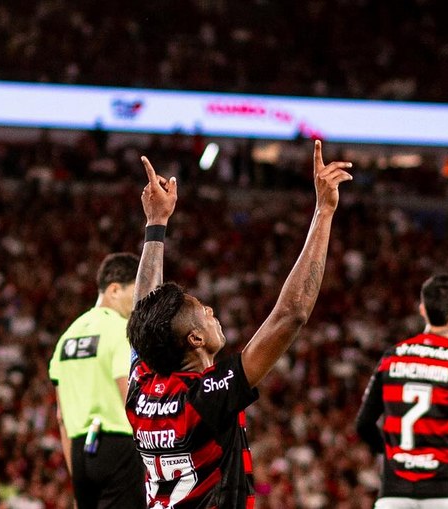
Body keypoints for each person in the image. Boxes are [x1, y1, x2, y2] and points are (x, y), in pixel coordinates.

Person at [125, 140, 352, 508]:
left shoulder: (142, 390)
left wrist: (156, 224)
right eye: (203, 311)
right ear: (195, 339)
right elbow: (291, 314)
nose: (212, 311)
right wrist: (323, 211)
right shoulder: (205, 396)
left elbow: (143, 315)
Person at [355, 274, 448, 509]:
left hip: (393, 493)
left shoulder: (392, 357)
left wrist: (393, 454)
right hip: (444, 491)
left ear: (422, 310)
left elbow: (363, 424)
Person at [48, 252, 146, 508]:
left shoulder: (67, 337)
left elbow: (61, 416)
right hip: (120, 449)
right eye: (135, 292)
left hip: (81, 453)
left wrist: (76, 475)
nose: (138, 302)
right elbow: (130, 397)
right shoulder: (122, 331)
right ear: (114, 290)